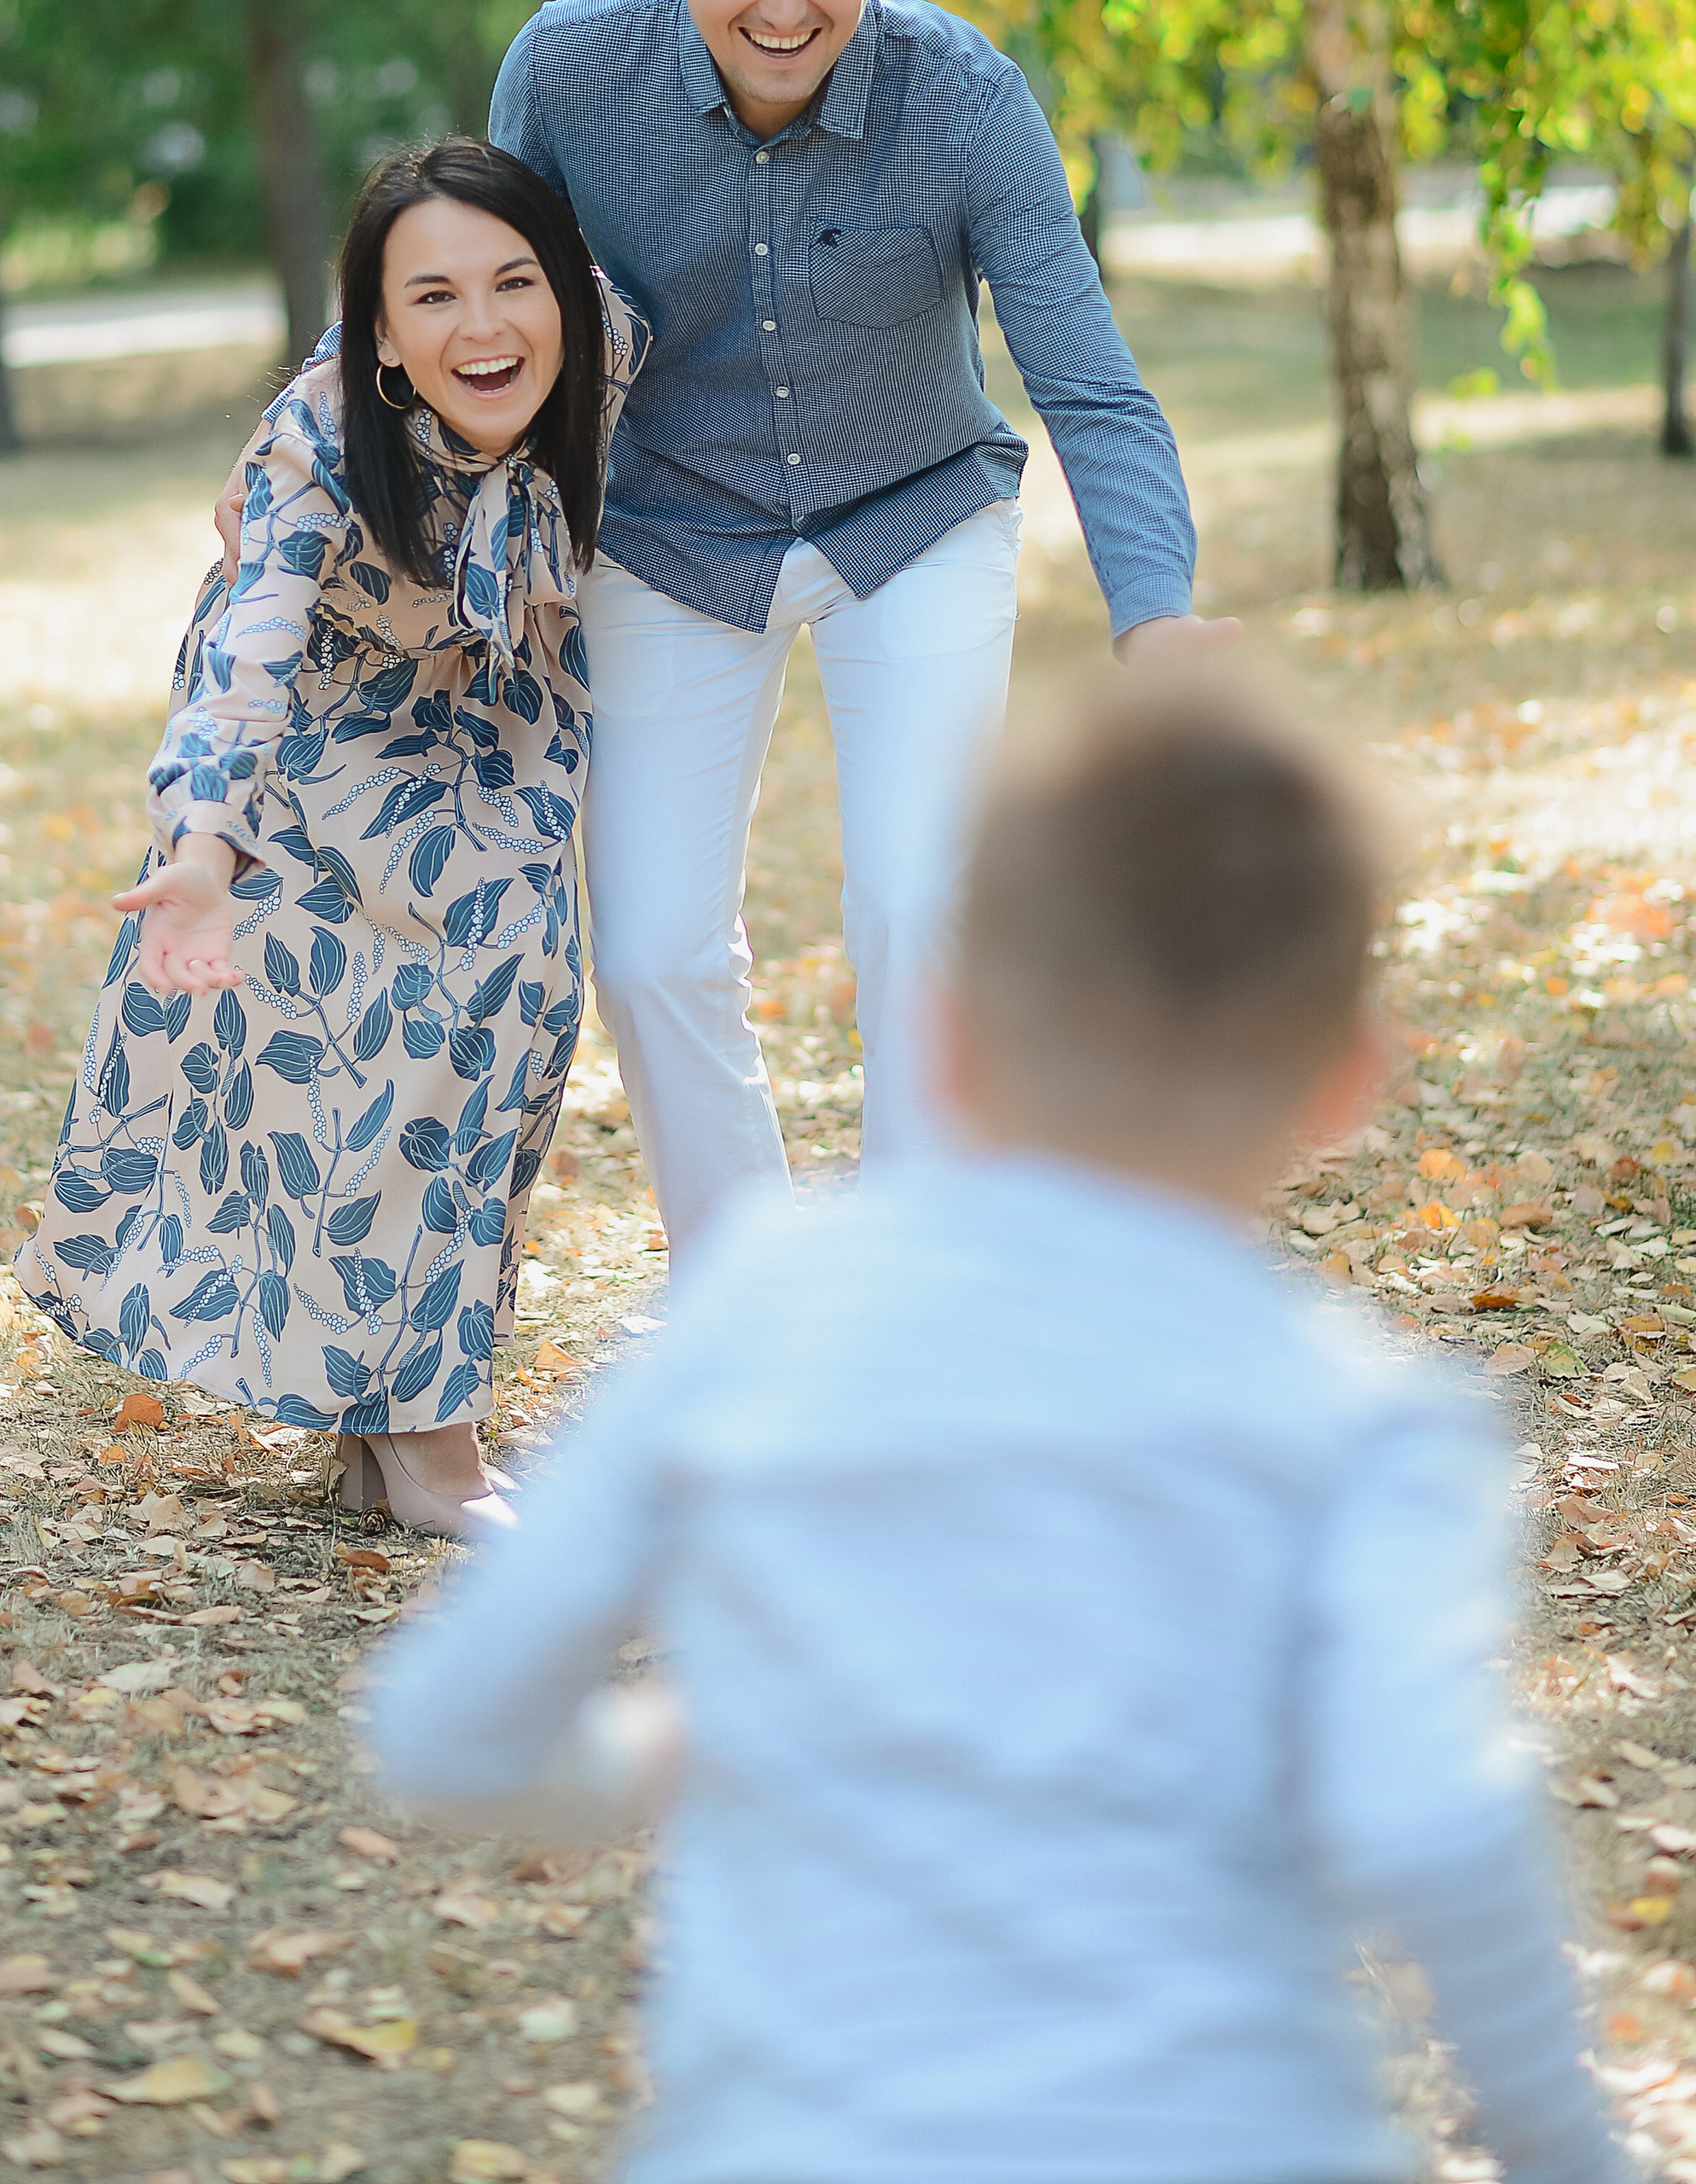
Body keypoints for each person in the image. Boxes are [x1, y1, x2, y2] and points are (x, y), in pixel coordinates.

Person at [364, 686, 1628, 2184]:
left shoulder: (763, 1310)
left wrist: (679, 1746)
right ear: (1347, 1082)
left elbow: (445, 1734)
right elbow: (1432, 1823)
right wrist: (1566, 2149)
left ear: (947, 1039)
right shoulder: (1374, 1425)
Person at [483, 0, 1238, 1248]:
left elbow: (1085, 375)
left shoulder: (965, 97)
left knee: (917, 909)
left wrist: (1154, 612)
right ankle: (756, 1295)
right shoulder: (567, 72)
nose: (783, 4)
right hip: (668, 530)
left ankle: (919, 1295)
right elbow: (465, 295)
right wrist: (306, 463)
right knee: (646, 952)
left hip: (915, 515)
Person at [15, 140, 642, 1538]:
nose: (483, 329)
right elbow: (249, 647)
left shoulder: (602, 348)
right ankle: (434, 1450)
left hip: (496, 716)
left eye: (514, 284)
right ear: (377, 340)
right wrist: (198, 843)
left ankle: (389, 1427)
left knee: (512, 1031)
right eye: (430, 300)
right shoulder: (314, 439)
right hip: (312, 740)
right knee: (369, 1066)